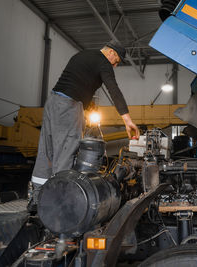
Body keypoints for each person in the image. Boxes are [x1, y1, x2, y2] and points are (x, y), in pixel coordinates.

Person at [29, 40, 140, 208]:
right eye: (116, 61)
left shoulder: (83, 54)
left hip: (53, 102)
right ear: (111, 53)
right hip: (69, 105)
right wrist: (127, 120)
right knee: (66, 152)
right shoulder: (103, 62)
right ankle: (60, 203)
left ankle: (37, 200)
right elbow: (113, 89)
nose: (115, 66)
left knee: (46, 151)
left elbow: (80, 82)